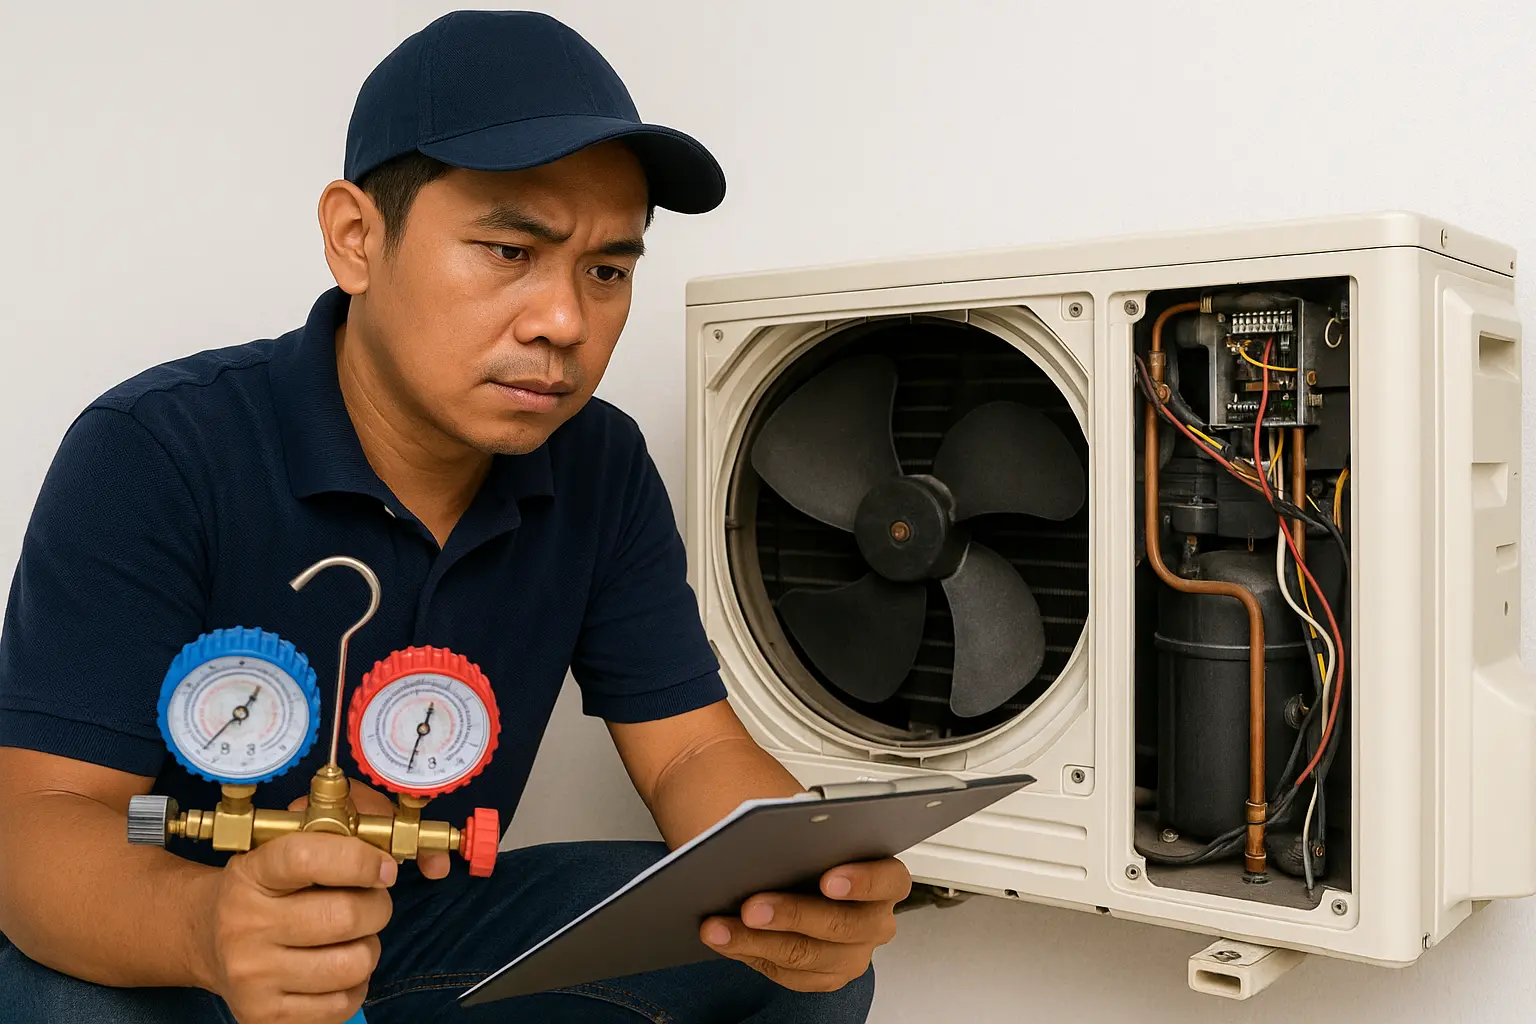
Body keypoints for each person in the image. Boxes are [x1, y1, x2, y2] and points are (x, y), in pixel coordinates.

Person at [0, 11, 908, 1023]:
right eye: (510, 248)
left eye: (607, 269)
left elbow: (692, 751)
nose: (564, 320)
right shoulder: (157, 448)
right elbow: (42, 823)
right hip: (170, 938)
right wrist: (213, 929)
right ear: (357, 238)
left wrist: (801, 877)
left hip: (415, 932)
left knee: (774, 961)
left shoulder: (597, 464)